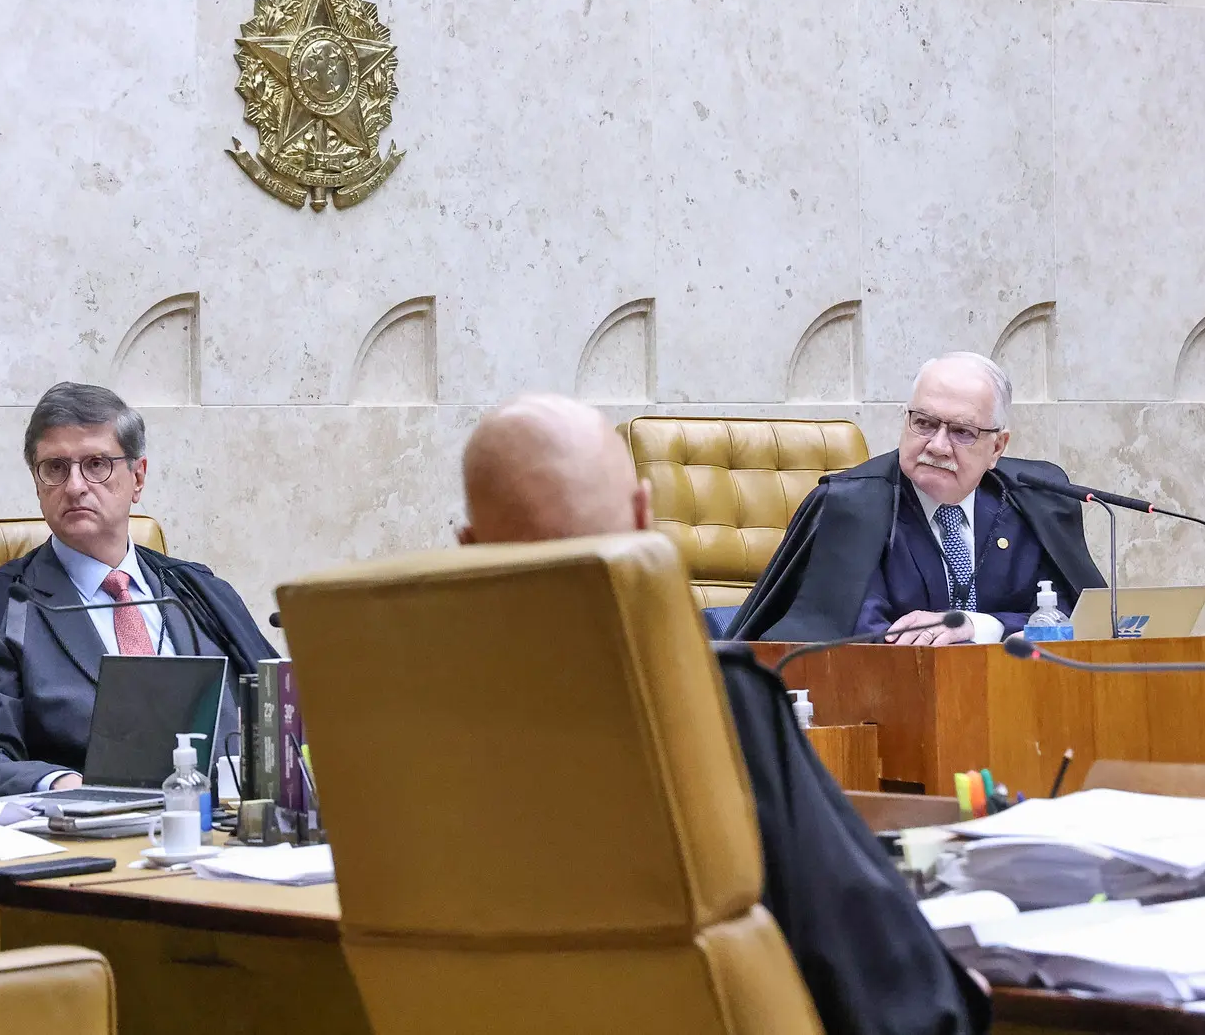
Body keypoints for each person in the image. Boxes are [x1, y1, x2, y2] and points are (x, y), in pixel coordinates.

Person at [460, 393, 990, 1035]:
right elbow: (884, 977)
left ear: (468, 546)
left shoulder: (404, 716)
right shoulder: (710, 706)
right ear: (642, 517)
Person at [0, 383, 277, 797]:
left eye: (96, 464)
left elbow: (282, 719)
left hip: (229, 830)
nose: (75, 486)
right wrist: (66, 785)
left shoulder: (199, 594)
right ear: (37, 483)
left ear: (138, 477)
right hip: (87, 839)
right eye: (55, 467)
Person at [728, 352, 1104, 644]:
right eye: (923, 423)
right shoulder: (852, 508)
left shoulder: (1033, 500)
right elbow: (858, 635)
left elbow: (1079, 616)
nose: (937, 445)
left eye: (962, 432)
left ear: (997, 447)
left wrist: (981, 625)